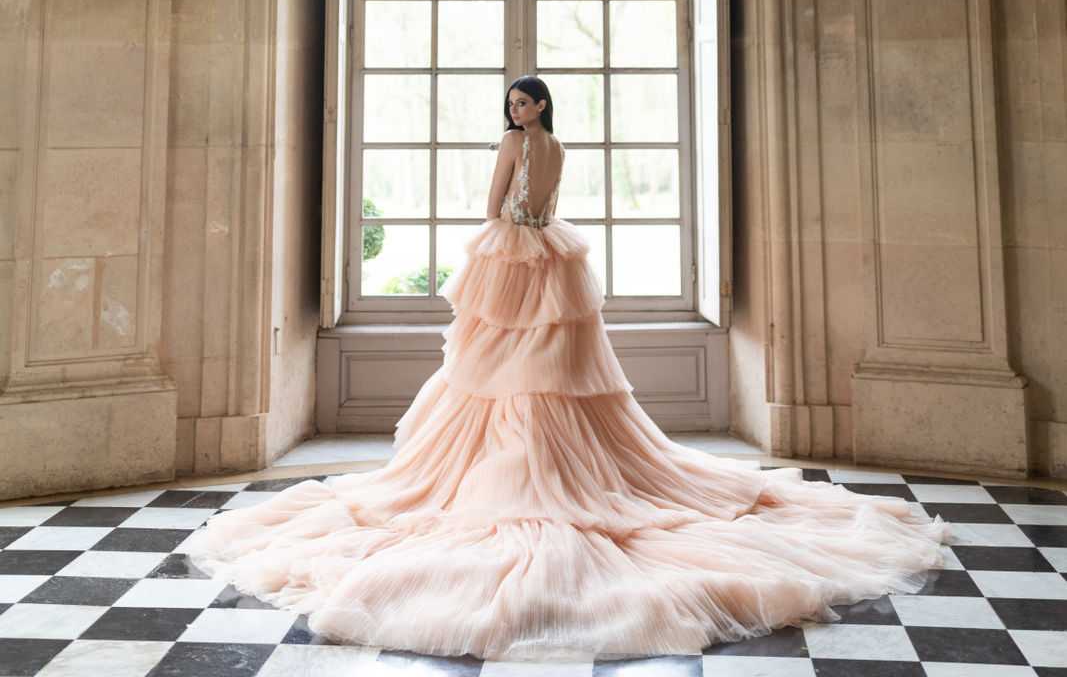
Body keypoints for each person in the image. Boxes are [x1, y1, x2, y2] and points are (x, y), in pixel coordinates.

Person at [187, 75, 947, 659]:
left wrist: (503, 220)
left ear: (534, 109)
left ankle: (523, 470)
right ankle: (533, 458)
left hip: (516, 255)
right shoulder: (555, 145)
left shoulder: (518, 146)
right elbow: (543, 203)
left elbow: (494, 207)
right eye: (513, 103)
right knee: (541, 364)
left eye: (523, 102)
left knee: (502, 363)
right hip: (551, 252)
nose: (516, 112)